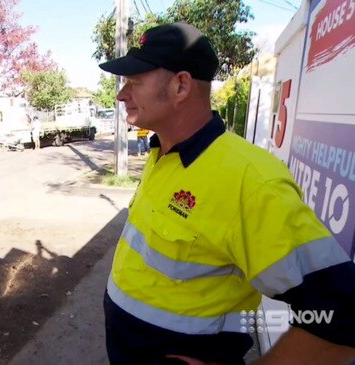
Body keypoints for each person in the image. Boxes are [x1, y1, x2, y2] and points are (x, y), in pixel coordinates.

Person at [99, 22, 355, 365]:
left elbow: (342, 316)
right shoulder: (162, 154)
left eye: (135, 81)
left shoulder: (250, 182)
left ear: (180, 85)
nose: (121, 94)